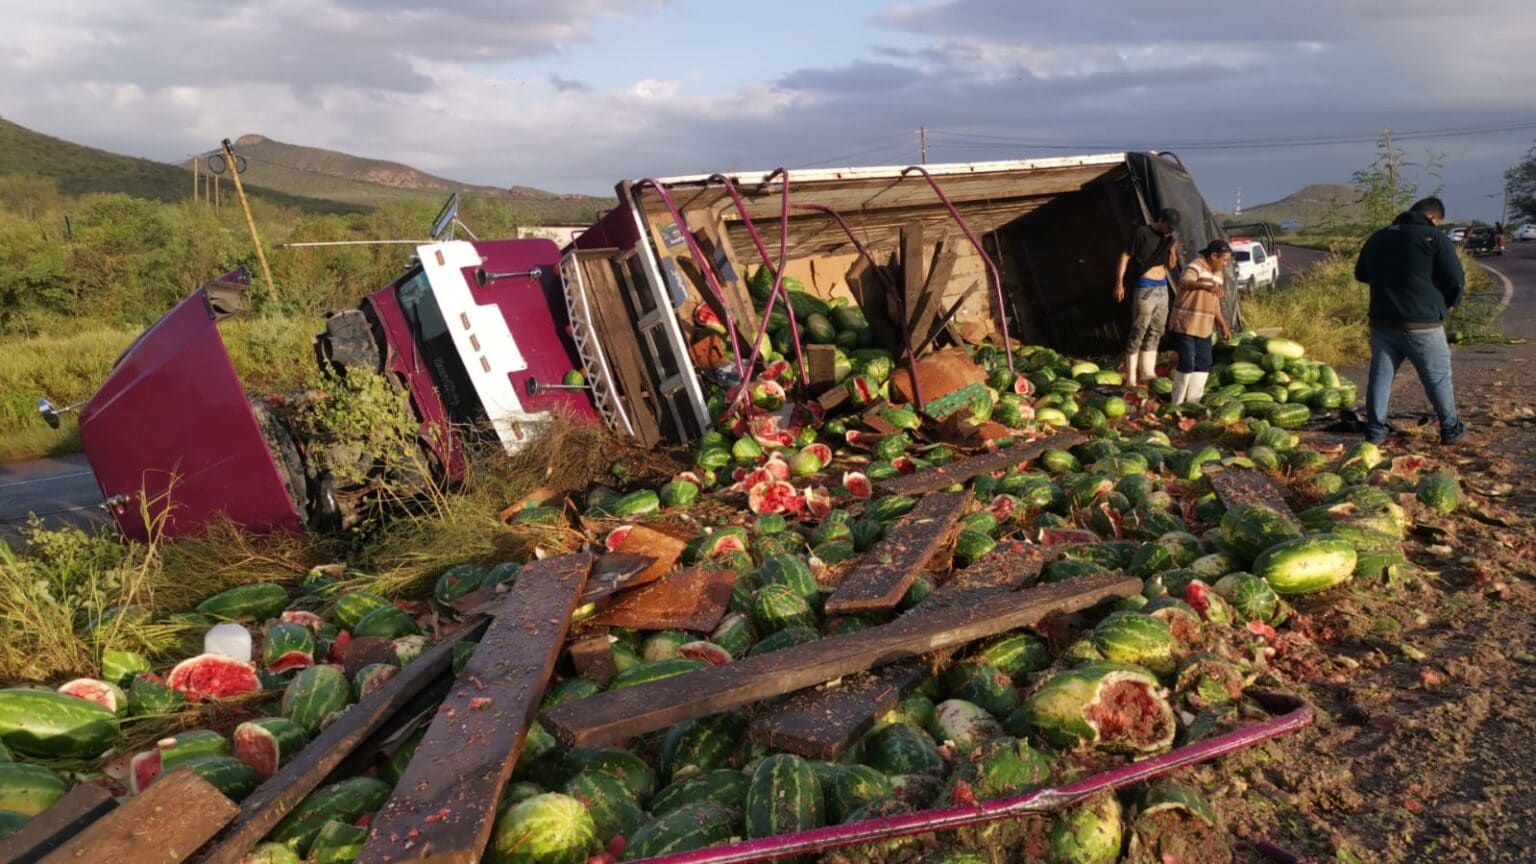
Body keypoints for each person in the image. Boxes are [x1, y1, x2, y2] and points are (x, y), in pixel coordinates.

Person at [1353, 196, 1467, 445]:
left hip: (1382, 323)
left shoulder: (1378, 237)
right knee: (1437, 377)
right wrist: (1449, 303)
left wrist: (1389, 282)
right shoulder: (1434, 237)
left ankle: (1375, 432)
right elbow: (1456, 279)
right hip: (1423, 323)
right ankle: (1451, 430)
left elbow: (1361, 273)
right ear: (1434, 218)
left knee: (1380, 377)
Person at [1114, 208, 1181, 387]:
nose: (1170, 230)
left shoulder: (1169, 239)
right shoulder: (1142, 233)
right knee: (1139, 329)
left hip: (1162, 286)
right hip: (1145, 286)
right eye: (1169, 226)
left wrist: (1173, 251)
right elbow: (1126, 255)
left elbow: (1171, 265)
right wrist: (1119, 282)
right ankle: (1131, 378)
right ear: (1161, 220)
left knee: (1157, 329)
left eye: (1173, 229)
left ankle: (1148, 373)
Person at [1168, 240, 1235, 404]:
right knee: (1187, 362)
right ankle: (1176, 403)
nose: (1225, 264)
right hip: (1186, 324)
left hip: (1204, 327)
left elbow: (1215, 306)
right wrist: (1205, 286)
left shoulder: (1218, 276)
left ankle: (1192, 403)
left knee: (1204, 362)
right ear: (1213, 256)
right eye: (1224, 260)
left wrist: (1223, 326)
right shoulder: (1195, 266)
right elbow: (1185, 282)